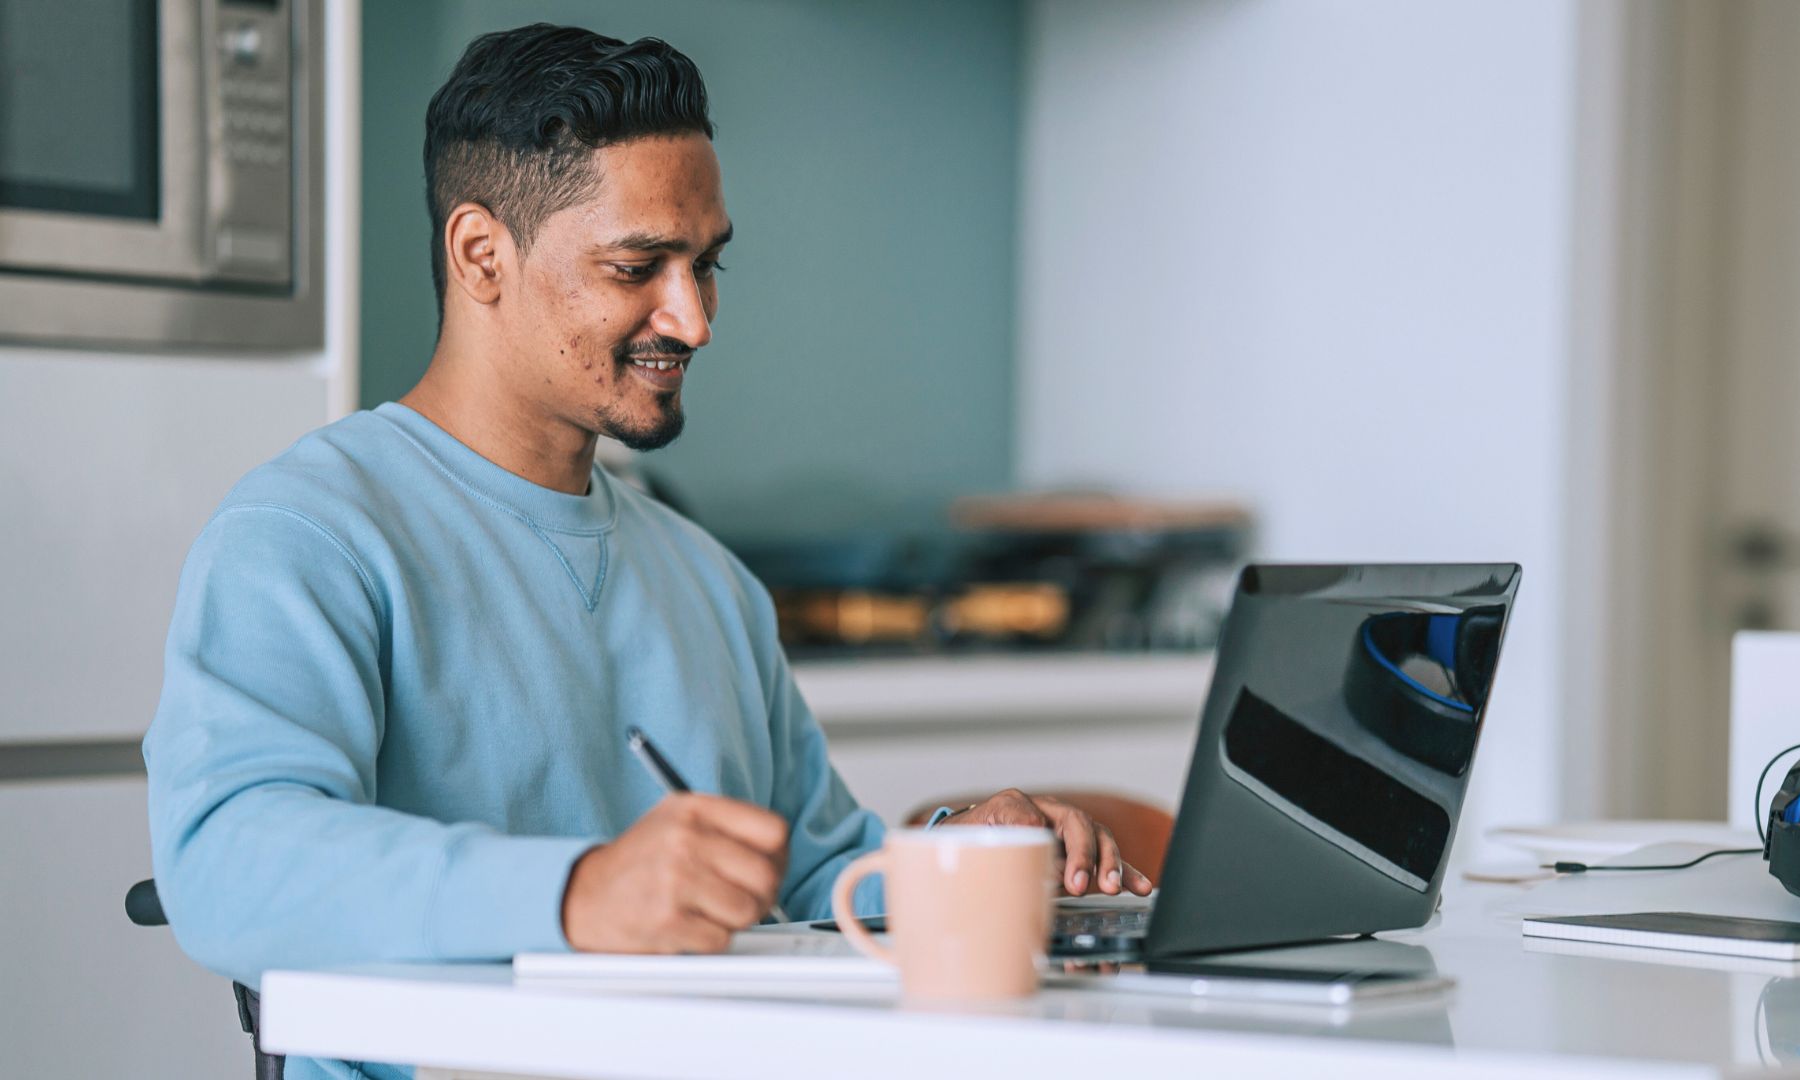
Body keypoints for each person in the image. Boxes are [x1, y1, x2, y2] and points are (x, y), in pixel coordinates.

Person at [144, 24, 1151, 1077]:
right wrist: (579, 895)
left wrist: (960, 850)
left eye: (705, 265)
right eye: (639, 267)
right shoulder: (308, 535)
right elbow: (225, 863)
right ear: (482, 255)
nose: (695, 319)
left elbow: (814, 874)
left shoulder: (705, 578)